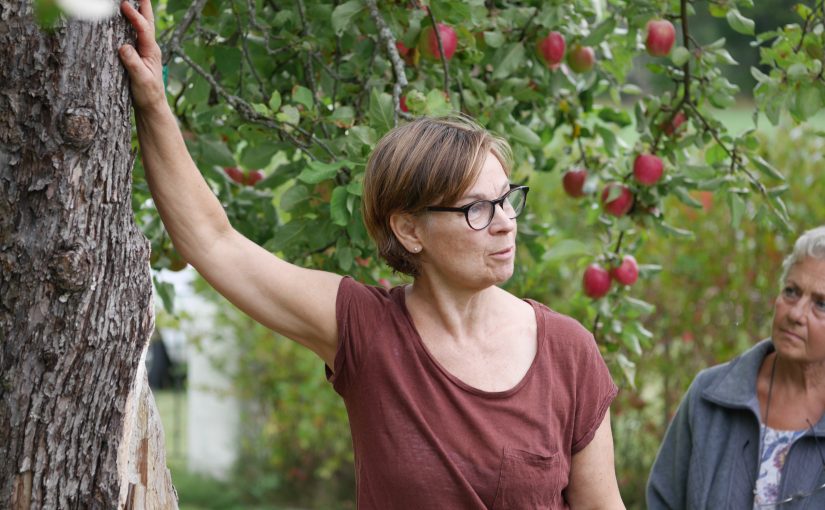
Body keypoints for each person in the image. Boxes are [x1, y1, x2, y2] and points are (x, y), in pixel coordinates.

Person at [118, 1, 625, 507]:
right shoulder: (364, 330)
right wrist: (154, 104)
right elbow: (214, 242)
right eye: (476, 208)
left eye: (507, 199)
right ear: (409, 230)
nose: (505, 222)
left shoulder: (567, 351)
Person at [647, 226, 825, 509]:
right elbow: (663, 502)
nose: (795, 313)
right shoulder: (709, 396)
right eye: (791, 292)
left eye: (821, 305)